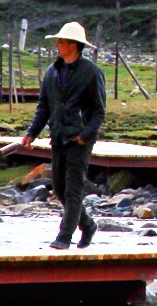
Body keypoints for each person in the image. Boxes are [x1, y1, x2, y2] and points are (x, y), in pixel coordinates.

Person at [9, 21, 105, 249]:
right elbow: (44, 106)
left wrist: (85, 135)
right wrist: (31, 133)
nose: (58, 45)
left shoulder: (92, 73)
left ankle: (64, 237)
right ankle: (88, 225)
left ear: (74, 45)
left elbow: (99, 110)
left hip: (79, 140)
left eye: (62, 41)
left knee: (73, 189)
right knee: (59, 188)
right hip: (58, 136)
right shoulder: (52, 71)